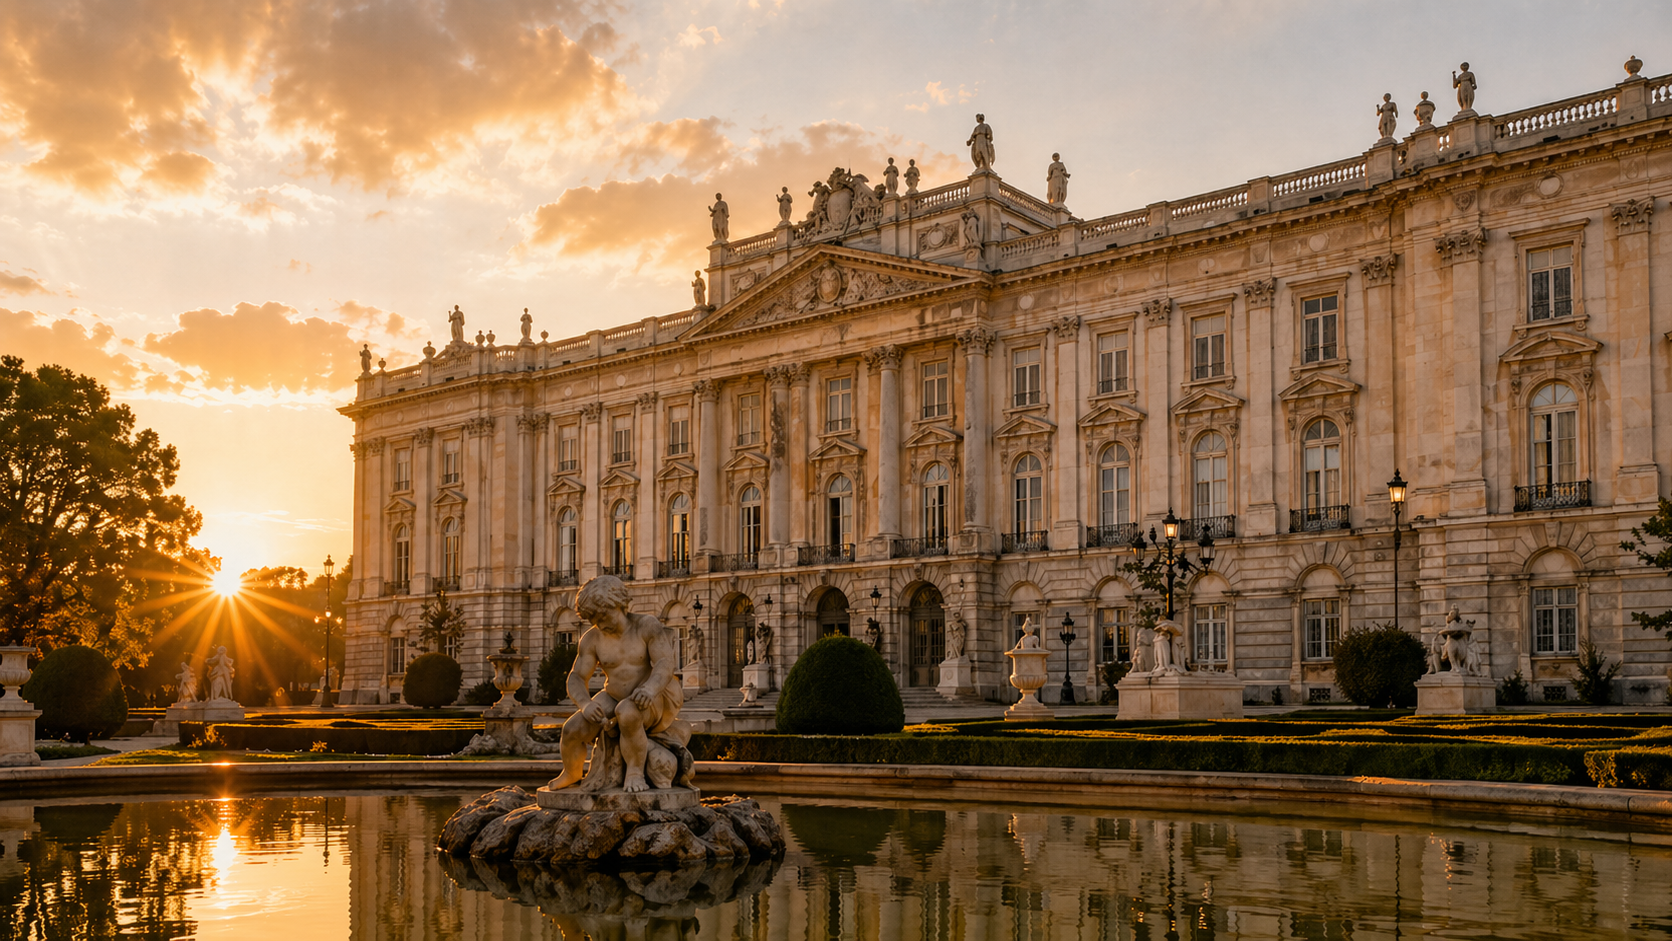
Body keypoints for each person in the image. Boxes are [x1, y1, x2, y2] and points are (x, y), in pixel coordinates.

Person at [548, 575, 686, 793]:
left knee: (627, 711)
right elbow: (576, 677)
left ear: (618, 604)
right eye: (594, 619)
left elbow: (665, 662)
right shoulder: (592, 638)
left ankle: (634, 772)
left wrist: (650, 689)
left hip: (650, 696)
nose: (599, 623)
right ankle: (571, 772)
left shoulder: (646, 626)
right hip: (612, 695)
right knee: (572, 728)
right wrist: (585, 704)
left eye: (603, 615)